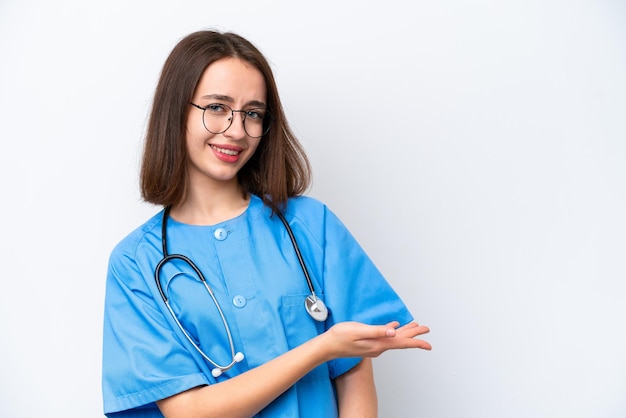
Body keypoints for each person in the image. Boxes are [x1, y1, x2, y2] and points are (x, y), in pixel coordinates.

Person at [102, 29, 431, 418]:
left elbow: (355, 378)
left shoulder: (311, 225)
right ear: (176, 111)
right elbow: (188, 411)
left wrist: (337, 350)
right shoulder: (135, 263)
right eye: (217, 107)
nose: (237, 131)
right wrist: (321, 347)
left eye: (253, 113)